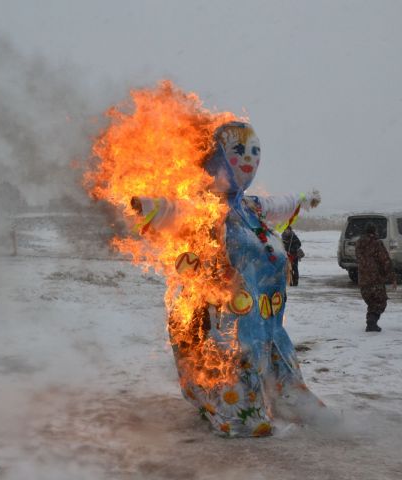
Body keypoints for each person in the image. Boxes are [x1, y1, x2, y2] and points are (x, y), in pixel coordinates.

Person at [132, 122, 326, 437]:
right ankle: (239, 412)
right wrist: (147, 204)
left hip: (265, 311)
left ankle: (289, 399)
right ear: (218, 158)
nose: (248, 159)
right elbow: (175, 209)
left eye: (255, 152)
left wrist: (302, 198)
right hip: (224, 312)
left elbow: (281, 203)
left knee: (276, 349)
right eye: (238, 151)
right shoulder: (206, 206)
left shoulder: (252, 208)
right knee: (239, 353)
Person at [355, 223, 397, 332]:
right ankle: (371, 322)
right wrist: (392, 278)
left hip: (363, 280)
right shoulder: (377, 244)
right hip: (375, 280)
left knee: (372, 302)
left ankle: (371, 323)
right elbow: (386, 262)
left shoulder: (359, 244)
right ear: (374, 232)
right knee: (380, 302)